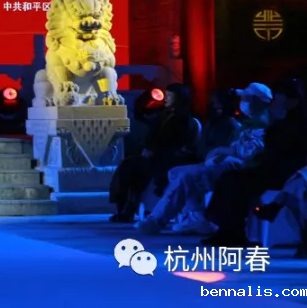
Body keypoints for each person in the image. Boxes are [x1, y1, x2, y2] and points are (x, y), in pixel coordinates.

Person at [138, 82, 273, 235]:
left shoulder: (262, 123)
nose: (243, 102)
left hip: (243, 168)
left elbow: (249, 152)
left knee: (186, 176)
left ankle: (157, 220)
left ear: (258, 101)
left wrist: (224, 151)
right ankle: (196, 217)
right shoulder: (247, 122)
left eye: (247, 99)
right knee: (175, 172)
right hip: (227, 162)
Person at [204, 80, 307, 246]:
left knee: (237, 181)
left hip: (288, 171)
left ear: (291, 99)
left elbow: (286, 148)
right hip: (274, 167)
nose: (275, 100)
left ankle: (233, 232)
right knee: (229, 178)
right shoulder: (285, 118)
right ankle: (226, 230)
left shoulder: (298, 121)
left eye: (279, 97)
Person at [108, 84, 197, 222]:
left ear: (179, 98)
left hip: (168, 158)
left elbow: (178, 142)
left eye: (169, 96)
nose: (165, 98)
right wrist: (146, 148)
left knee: (135, 168)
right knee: (127, 165)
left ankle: (129, 209)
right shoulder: (162, 115)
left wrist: (155, 151)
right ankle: (124, 208)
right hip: (153, 155)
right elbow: (150, 132)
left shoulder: (185, 119)